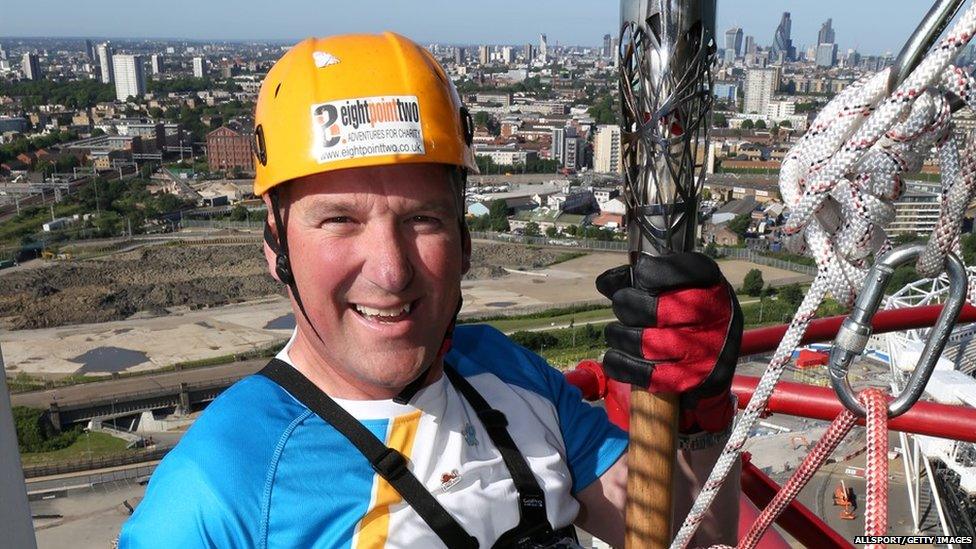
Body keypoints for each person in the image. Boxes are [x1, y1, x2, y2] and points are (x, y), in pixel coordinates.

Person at [119, 32, 742, 548]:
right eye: (340, 220)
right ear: (277, 249)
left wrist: (702, 412)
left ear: (465, 242)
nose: (390, 271)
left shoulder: (506, 372)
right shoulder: (223, 485)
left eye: (423, 219)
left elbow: (694, 536)